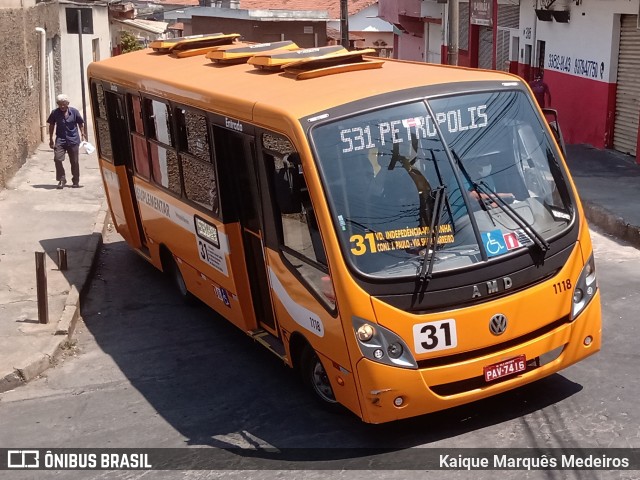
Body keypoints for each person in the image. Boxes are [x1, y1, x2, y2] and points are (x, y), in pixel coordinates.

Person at [47, 94, 87, 189]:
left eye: (64, 104)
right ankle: (62, 179)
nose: (62, 106)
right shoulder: (54, 113)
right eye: (60, 104)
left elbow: (80, 123)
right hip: (60, 140)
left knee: (74, 161)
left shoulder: (74, 112)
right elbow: (51, 125)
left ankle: (75, 181)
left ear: (67, 103)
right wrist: (51, 139)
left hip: (73, 140)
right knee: (57, 159)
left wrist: (82, 133)